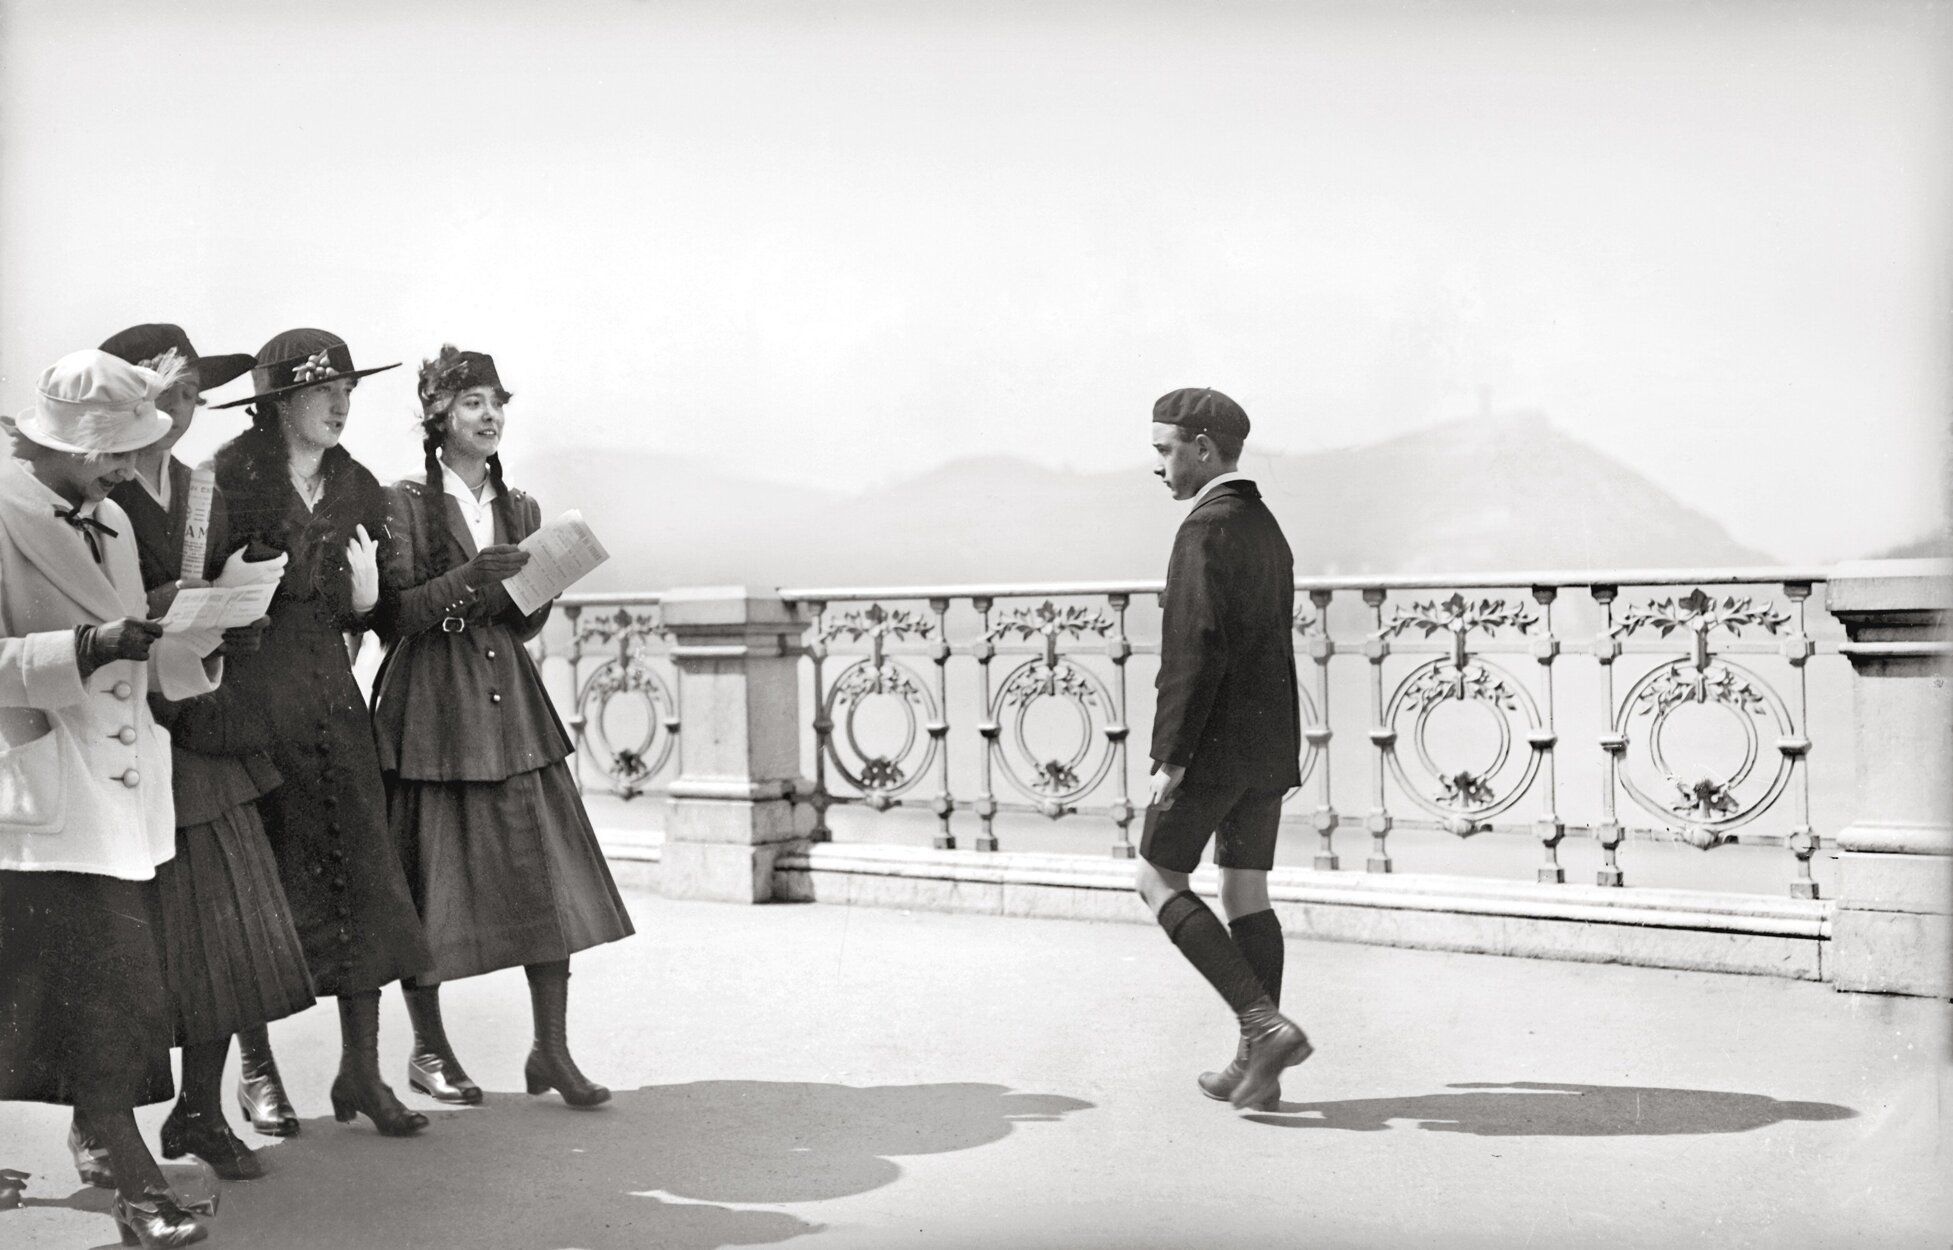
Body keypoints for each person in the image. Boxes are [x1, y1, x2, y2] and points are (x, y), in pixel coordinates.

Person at [2, 349, 227, 1246]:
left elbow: (137, 650)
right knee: (93, 992)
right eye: (113, 455)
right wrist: (85, 648)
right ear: (65, 445)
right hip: (41, 799)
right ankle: (135, 1183)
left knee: (78, 991)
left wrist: (204, 640)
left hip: (116, 795)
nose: (129, 470)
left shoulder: (112, 522)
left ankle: (122, 1166)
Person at [372, 345, 633, 1108]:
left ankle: (550, 1051)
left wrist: (540, 582)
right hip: (430, 705)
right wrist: (470, 583)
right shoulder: (403, 504)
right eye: (472, 403)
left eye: (497, 403)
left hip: (508, 704)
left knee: (543, 877)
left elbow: (519, 625)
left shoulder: (519, 506)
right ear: (438, 417)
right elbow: (395, 616)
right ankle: (429, 1049)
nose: (490, 417)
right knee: (431, 881)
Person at [99, 324, 315, 1181]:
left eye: (192, 395)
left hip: (201, 731)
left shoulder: (201, 492)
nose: (180, 414)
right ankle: (101, 1120)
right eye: (165, 395)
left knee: (224, 927)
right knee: (122, 942)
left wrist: (242, 614)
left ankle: (200, 1108)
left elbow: (217, 593)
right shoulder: (100, 490)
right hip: (117, 725)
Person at [211, 329, 435, 1137]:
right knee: (257, 889)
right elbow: (192, 602)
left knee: (363, 876)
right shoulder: (225, 480)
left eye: (347, 389)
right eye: (321, 391)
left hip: (333, 703)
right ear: (277, 403)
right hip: (251, 701)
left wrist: (368, 602)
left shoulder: (358, 484)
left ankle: (361, 1074)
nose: (341, 403)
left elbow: (364, 615)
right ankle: (257, 1072)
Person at [1134, 387, 1312, 1112]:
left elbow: (1194, 649)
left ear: (1202, 447)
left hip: (1210, 747)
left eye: (1163, 449)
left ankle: (1262, 1027)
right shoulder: (1264, 524)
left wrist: (1171, 755)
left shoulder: (1203, 528)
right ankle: (1255, 1069)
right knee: (1244, 891)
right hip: (1266, 746)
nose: (1158, 466)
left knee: (1156, 878)